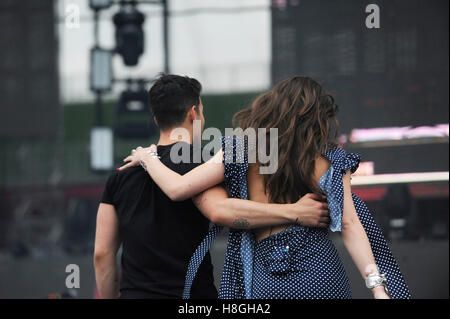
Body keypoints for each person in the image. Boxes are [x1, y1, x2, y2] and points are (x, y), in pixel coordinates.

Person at [120, 76, 411, 299]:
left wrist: (148, 158)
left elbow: (178, 189)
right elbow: (350, 223)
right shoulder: (325, 159)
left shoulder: (243, 148)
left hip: (265, 274)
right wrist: (376, 286)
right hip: (320, 271)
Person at [94, 74, 330, 299]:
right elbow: (221, 211)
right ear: (194, 113)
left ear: (156, 119)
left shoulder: (120, 175)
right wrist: (295, 212)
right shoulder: (203, 165)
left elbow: (102, 254)